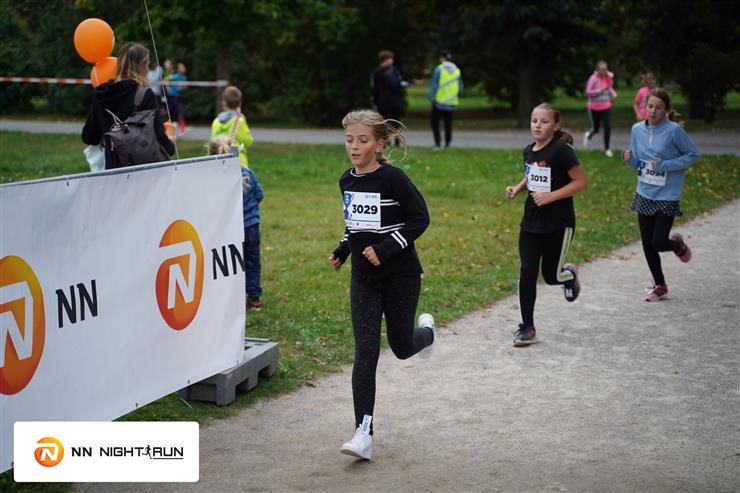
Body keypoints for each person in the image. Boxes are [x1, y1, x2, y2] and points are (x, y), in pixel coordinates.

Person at [329, 109, 436, 460]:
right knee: (365, 353)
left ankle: (427, 335)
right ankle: (363, 433)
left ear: (378, 144)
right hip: (363, 279)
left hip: (401, 275)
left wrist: (386, 249)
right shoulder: (346, 180)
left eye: (362, 140)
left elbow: (420, 218)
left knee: (402, 346)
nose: (354, 146)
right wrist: (343, 250)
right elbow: (355, 225)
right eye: (349, 139)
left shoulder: (393, 179)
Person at [505, 103, 588, 347]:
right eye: (534, 121)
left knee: (551, 276)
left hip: (558, 223)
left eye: (544, 121)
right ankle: (527, 327)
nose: (538, 125)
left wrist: (551, 197)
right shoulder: (528, 150)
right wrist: (518, 188)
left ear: (556, 125)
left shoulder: (562, 151)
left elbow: (580, 182)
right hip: (531, 221)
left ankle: (569, 276)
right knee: (527, 272)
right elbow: (532, 173)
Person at [621, 89, 700, 302]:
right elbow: (637, 162)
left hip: (667, 194)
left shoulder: (674, 131)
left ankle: (677, 245)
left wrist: (666, 165)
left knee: (658, 242)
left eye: (658, 107)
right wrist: (628, 159)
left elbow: (694, 155)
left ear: (666, 110)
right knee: (647, 243)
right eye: (650, 106)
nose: (653, 111)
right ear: (644, 107)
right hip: (645, 192)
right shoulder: (636, 129)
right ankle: (660, 285)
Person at [82, 42, 175, 169]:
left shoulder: (101, 95)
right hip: (142, 169)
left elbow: (89, 137)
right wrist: (171, 143)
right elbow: (158, 136)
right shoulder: (144, 95)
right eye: (147, 65)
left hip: (112, 170)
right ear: (142, 65)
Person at [208, 135, 264, 310]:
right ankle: (254, 297)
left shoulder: (214, 180)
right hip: (252, 226)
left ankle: (233, 297)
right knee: (253, 261)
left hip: (231, 229)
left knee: (232, 264)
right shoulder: (247, 173)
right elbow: (259, 194)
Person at [211, 85, 254, 168]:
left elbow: (213, 142)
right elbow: (248, 142)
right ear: (240, 104)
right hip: (239, 163)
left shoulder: (216, 121)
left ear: (224, 103)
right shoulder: (240, 121)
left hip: (220, 164)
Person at [428, 49, 462, 150]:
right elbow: (460, 87)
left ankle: (438, 143)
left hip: (439, 102)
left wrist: (431, 99)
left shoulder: (439, 69)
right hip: (452, 102)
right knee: (448, 123)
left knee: (435, 123)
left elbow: (434, 85)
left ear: (442, 58)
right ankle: (447, 143)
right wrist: (456, 96)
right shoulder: (457, 70)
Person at [371, 50, 407, 145]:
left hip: (384, 101)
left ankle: (390, 141)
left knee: (387, 122)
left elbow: (375, 88)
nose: (392, 61)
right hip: (391, 100)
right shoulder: (392, 71)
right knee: (393, 121)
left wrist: (375, 101)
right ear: (386, 59)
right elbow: (397, 85)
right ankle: (394, 141)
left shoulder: (378, 72)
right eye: (391, 59)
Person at [583, 60, 617, 157]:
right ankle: (588, 135)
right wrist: (599, 91)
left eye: (605, 69)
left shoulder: (608, 77)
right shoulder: (593, 78)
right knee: (596, 129)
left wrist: (614, 94)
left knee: (607, 127)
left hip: (606, 106)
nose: (604, 71)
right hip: (594, 107)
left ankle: (607, 149)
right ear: (597, 70)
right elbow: (587, 92)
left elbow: (609, 88)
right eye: (602, 69)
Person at [166, 62, 189, 134]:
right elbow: (166, 80)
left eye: (183, 67)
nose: (183, 69)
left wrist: (182, 87)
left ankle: (182, 127)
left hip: (178, 96)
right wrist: (168, 88)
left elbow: (186, 87)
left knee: (179, 111)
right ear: (178, 69)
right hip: (171, 96)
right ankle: (165, 126)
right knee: (170, 111)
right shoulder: (175, 76)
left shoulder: (184, 78)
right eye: (182, 67)